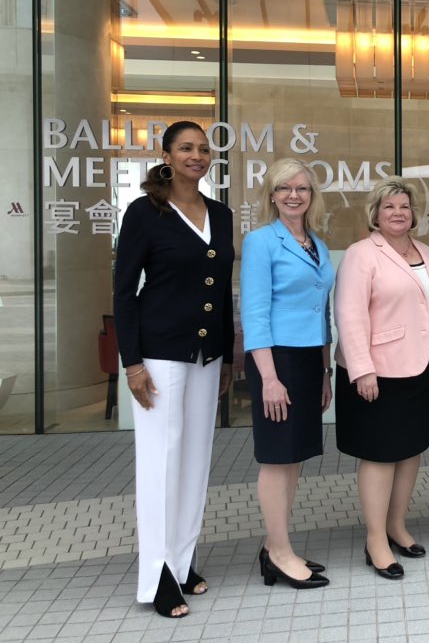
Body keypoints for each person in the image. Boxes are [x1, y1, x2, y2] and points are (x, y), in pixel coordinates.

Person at [113, 120, 234, 618]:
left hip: (207, 357)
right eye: (186, 148)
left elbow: (222, 289)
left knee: (195, 460)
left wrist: (226, 353)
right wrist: (132, 363)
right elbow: (123, 291)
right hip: (159, 353)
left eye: (204, 149)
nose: (197, 156)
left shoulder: (221, 214)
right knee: (160, 461)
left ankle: (183, 562)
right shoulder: (145, 212)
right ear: (166, 154)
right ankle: (157, 575)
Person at [335, 176, 429, 580]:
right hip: (379, 371)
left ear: (414, 213)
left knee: (411, 449)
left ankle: (397, 524)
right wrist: (362, 369)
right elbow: (349, 314)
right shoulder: (361, 253)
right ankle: (375, 539)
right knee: (381, 454)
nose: (398, 213)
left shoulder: (427, 251)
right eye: (389, 207)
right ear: (375, 214)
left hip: (426, 364)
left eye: (404, 207)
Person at [240, 158, 333, 589]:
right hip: (275, 360)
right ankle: (279, 553)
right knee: (277, 459)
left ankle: (274, 544)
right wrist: (270, 379)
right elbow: (254, 313)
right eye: (284, 188)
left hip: (308, 359)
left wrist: (325, 369)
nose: (294, 195)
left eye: (302, 188)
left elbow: (323, 310)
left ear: (311, 196)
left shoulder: (318, 243)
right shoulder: (261, 241)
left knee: (293, 457)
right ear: (272, 195)